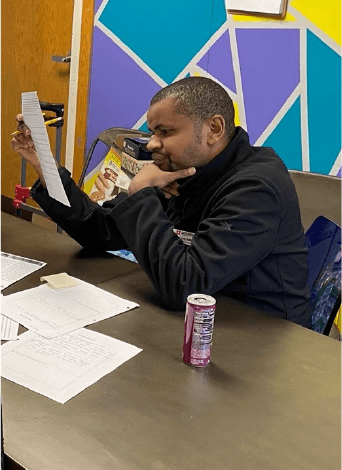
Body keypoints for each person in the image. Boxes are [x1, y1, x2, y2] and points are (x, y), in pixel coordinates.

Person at [11, 77, 312, 327]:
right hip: (198, 322)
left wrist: (141, 194)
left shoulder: (255, 189)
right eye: (153, 132)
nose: (152, 144)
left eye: (166, 132)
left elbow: (185, 287)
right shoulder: (190, 168)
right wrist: (44, 164)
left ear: (214, 129)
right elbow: (100, 232)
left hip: (260, 335)